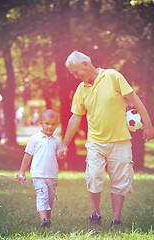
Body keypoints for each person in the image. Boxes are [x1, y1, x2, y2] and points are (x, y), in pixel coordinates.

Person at [58, 51, 154, 228]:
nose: (75, 76)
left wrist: (148, 124)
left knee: (120, 181)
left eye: (76, 71)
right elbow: (75, 118)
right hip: (95, 142)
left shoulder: (112, 76)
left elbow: (135, 99)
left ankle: (116, 219)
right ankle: (96, 213)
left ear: (86, 64)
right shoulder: (81, 89)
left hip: (120, 141)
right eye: (72, 73)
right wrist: (64, 144)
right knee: (93, 176)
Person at [16, 109, 61, 228]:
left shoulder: (56, 140)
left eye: (53, 124)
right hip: (38, 175)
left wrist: (61, 155)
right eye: (47, 123)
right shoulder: (35, 139)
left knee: (50, 200)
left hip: (52, 175)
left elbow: (57, 156)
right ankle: (44, 220)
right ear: (41, 123)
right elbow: (27, 155)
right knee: (42, 196)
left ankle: (47, 221)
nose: (50, 126)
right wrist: (22, 171)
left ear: (57, 124)